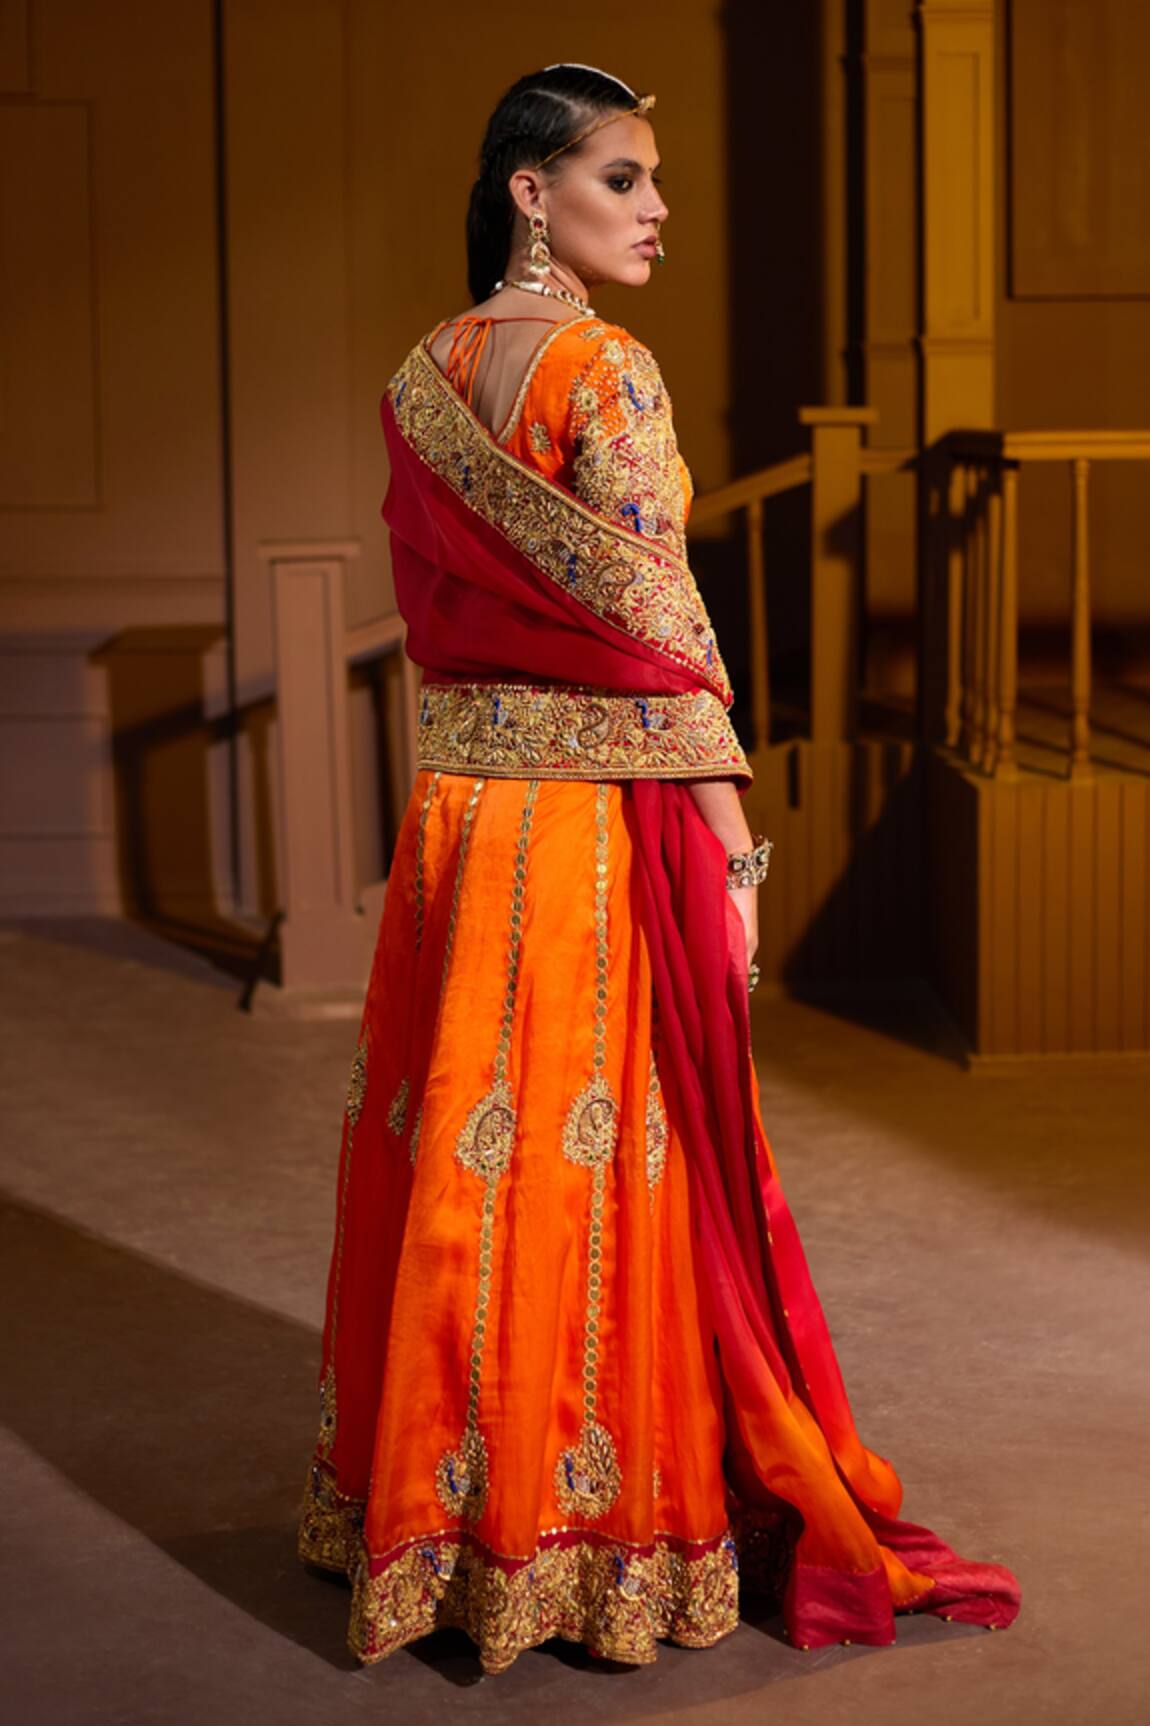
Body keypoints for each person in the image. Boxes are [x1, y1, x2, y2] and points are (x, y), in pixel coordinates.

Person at [296, 62, 1020, 1677]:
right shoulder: (604, 372)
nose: (656, 208)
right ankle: (594, 1545)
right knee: (589, 1174)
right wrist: (733, 851)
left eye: (652, 179)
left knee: (457, 1168)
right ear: (527, 194)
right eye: (621, 178)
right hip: (590, 843)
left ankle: (433, 1524)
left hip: (461, 832)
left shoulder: (425, 372)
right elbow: (661, 645)